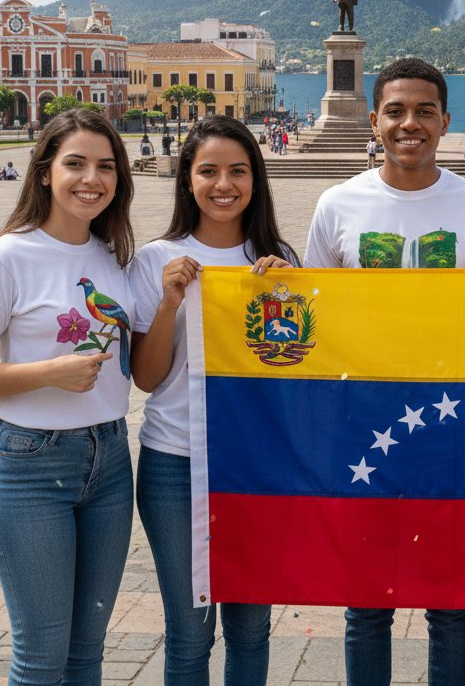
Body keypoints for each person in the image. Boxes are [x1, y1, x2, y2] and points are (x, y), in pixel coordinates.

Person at [304, 57, 465, 686]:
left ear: (445, 121)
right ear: (374, 121)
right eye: (395, 111)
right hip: (364, 429)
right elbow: (317, 320)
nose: (409, 124)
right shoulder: (337, 206)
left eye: (425, 111)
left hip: (454, 430)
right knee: (366, 604)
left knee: (452, 605)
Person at [0, 108, 136, 684]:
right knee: (41, 659)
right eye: (76, 164)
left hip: (110, 461)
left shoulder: (113, 257)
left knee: (87, 654)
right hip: (30, 465)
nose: (92, 179)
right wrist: (47, 372)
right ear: (44, 172)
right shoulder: (8, 257)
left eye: (106, 166)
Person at [131, 115, 297, 685]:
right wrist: (168, 303)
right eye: (208, 171)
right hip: (174, 462)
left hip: (255, 465)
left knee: (251, 630)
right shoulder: (156, 259)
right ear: (188, 179)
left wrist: (288, 293)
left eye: (238, 171)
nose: (223, 185)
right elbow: (146, 378)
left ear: (255, 179)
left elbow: (293, 378)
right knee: (189, 633)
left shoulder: (279, 259)